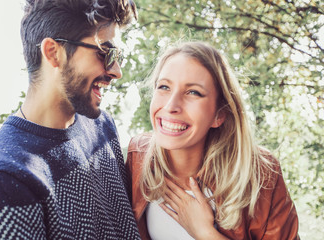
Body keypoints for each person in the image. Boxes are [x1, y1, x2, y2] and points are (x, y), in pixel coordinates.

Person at [0, 0, 141, 239]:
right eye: (105, 53)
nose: (117, 71)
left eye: (117, 54)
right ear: (53, 53)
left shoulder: (102, 126)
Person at [126, 41, 300, 240]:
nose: (171, 105)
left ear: (219, 114)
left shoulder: (261, 174)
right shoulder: (138, 155)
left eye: (193, 92)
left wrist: (205, 233)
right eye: (164, 87)